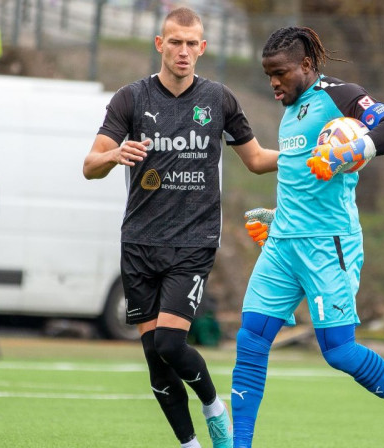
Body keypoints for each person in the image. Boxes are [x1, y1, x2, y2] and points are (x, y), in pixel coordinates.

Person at [231, 27, 384, 448]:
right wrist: (277, 218)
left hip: (329, 245)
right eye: (267, 74)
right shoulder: (290, 108)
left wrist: (359, 148)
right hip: (283, 247)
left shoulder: (340, 94)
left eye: (280, 72)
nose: (273, 82)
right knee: (250, 341)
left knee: (339, 353)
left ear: (307, 65)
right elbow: (301, 174)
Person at [82, 7, 278, 448]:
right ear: (160, 44)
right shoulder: (131, 99)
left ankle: (213, 405)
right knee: (155, 360)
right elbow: (89, 164)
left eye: (192, 44)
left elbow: (257, 160)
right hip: (139, 243)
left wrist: (308, 154)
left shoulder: (219, 100)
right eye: (176, 42)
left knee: (171, 344)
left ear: (203, 48)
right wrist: (114, 156)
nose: (184, 51)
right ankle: (190, 444)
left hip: (193, 242)